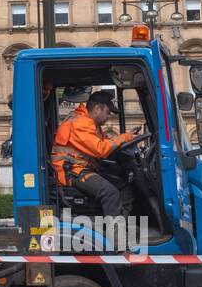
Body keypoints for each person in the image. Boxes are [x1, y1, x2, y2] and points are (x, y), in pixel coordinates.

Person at [51, 89, 139, 217]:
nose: (109, 117)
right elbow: (100, 149)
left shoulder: (90, 124)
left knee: (123, 184)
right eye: (108, 112)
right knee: (110, 193)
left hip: (81, 169)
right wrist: (126, 137)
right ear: (98, 108)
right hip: (71, 172)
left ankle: (123, 223)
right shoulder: (80, 123)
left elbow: (106, 142)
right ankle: (116, 234)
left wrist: (127, 137)